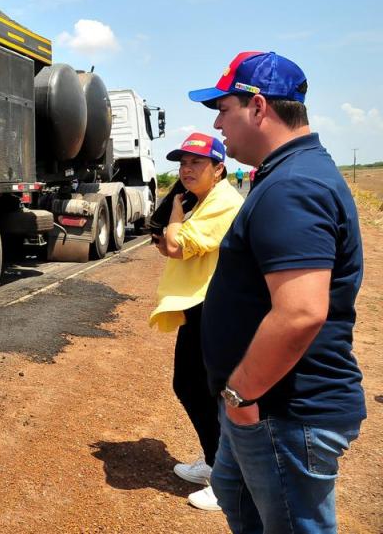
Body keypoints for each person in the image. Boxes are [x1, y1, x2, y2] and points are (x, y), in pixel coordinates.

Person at [189, 51, 365, 533]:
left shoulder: (293, 185)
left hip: (283, 410)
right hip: (265, 407)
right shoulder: (287, 173)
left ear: (258, 107)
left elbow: (301, 312)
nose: (220, 124)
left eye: (223, 109)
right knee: (234, 493)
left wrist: (239, 396)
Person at [149, 132, 243, 512]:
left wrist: (174, 212)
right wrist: (172, 229)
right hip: (199, 303)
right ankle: (214, 461)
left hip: (213, 306)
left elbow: (175, 245)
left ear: (218, 169)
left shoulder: (222, 201)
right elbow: (174, 245)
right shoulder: (205, 201)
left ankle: (225, 479)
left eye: (196, 163)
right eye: (183, 163)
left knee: (203, 389)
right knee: (192, 385)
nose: (186, 170)